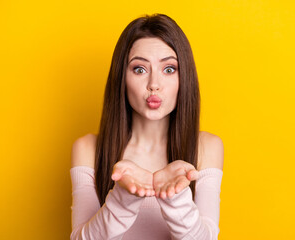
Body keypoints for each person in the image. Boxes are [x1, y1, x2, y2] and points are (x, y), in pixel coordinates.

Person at [70, 13, 224, 240]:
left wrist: (175, 196)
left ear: (185, 77)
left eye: (169, 69)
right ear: (121, 77)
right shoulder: (88, 148)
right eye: (140, 69)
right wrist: (124, 197)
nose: (154, 85)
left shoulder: (207, 147)